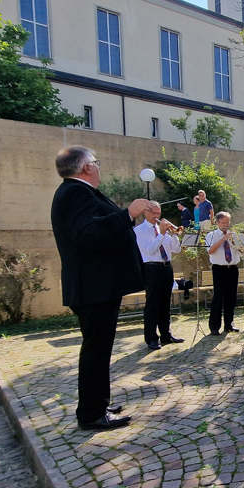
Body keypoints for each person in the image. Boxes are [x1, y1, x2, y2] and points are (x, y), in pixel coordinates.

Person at [50, 146, 151, 431]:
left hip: (97, 286)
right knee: (96, 350)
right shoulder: (75, 192)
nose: (98, 166)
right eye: (95, 162)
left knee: (99, 348)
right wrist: (127, 214)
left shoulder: (79, 192)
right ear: (85, 168)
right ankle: (92, 413)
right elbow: (88, 234)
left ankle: (97, 402)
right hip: (93, 287)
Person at [134, 203, 184, 350]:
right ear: (146, 213)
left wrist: (174, 235)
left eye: (159, 213)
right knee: (153, 304)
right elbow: (149, 249)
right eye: (154, 213)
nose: (157, 217)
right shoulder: (140, 231)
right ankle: (151, 338)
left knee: (165, 303)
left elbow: (176, 249)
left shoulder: (162, 230)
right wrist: (162, 234)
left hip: (166, 267)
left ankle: (166, 335)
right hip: (151, 268)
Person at [205, 211, 242, 335]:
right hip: (219, 268)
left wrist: (240, 246)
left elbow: (241, 251)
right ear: (217, 222)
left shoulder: (234, 235)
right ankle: (214, 326)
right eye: (224, 222)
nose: (226, 225)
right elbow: (210, 251)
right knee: (218, 297)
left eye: (228, 222)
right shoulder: (211, 235)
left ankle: (229, 324)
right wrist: (223, 239)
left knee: (231, 297)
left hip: (232, 268)